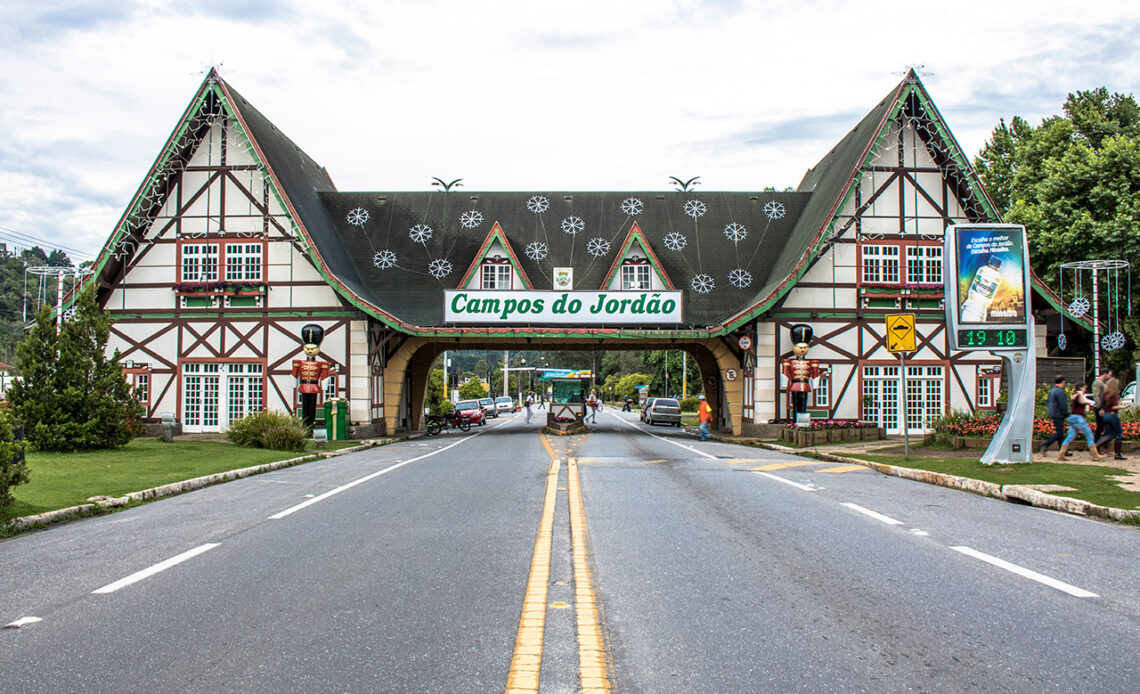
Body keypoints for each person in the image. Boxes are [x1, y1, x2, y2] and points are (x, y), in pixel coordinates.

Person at [1060, 383, 1104, 460]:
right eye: (1084, 388)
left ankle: (1061, 453)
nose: (1085, 389)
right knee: (1089, 434)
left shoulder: (1074, 396)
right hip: (1078, 418)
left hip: (1072, 417)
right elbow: (1082, 402)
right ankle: (1095, 455)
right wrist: (1081, 394)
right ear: (1080, 388)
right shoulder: (1079, 396)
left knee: (1070, 436)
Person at [1095, 377, 1127, 460]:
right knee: (1119, 433)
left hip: (1106, 416)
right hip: (1112, 415)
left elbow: (1102, 405)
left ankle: (1096, 446)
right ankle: (1118, 454)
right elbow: (1114, 407)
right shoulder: (1113, 395)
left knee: (1109, 434)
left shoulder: (1105, 394)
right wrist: (1123, 407)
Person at [1038, 375, 1068, 456]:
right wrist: (1066, 413)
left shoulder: (1052, 391)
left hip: (1053, 413)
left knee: (1060, 433)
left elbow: (1048, 402)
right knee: (1059, 433)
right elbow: (1063, 404)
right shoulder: (1060, 391)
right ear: (1063, 382)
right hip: (1058, 414)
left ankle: (1062, 451)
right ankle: (1045, 445)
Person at [1093, 367, 1112, 440]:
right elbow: (1096, 395)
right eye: (1109, 375)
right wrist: (1100, 408)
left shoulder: (1103, 383)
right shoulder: (1098, 383)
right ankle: (1096, 445)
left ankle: (1100, 444)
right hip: (1100, 408)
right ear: (1105, 374)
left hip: (1104, 407)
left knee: (1104, 427)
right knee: (1100, 427)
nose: (1110, 376)